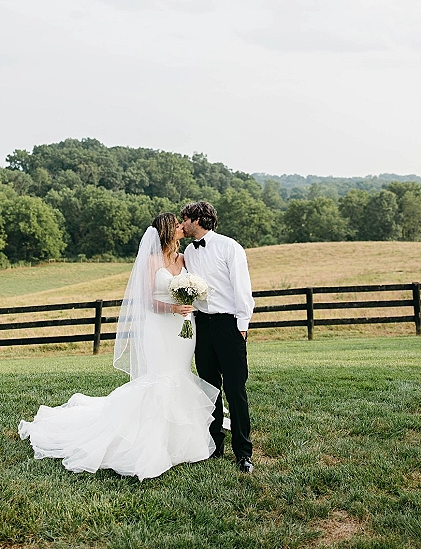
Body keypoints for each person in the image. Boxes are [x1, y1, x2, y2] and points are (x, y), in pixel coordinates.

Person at [18, 213, 220, 481]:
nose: (183, 227)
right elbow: (148, 301)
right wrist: (174, 307)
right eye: (178, 225)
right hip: (158, 327)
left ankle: (181, 440)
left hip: (183, 329)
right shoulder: (150, 261)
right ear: (167, 231)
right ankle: (149, 442)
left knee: (180, 375)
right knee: (159, 378)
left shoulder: (183, 259)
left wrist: (190, 301)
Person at [181, 200, 255, 474]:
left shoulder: (229, 247)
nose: (182, 224)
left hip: (229, 326)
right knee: (209, 389)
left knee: (235, 390)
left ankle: (243, 453)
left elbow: (242, 287)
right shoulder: (189, 251)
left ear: (197, 219)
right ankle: (214, 445)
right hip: (202, 327)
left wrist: (242, 326)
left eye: (185, 218)